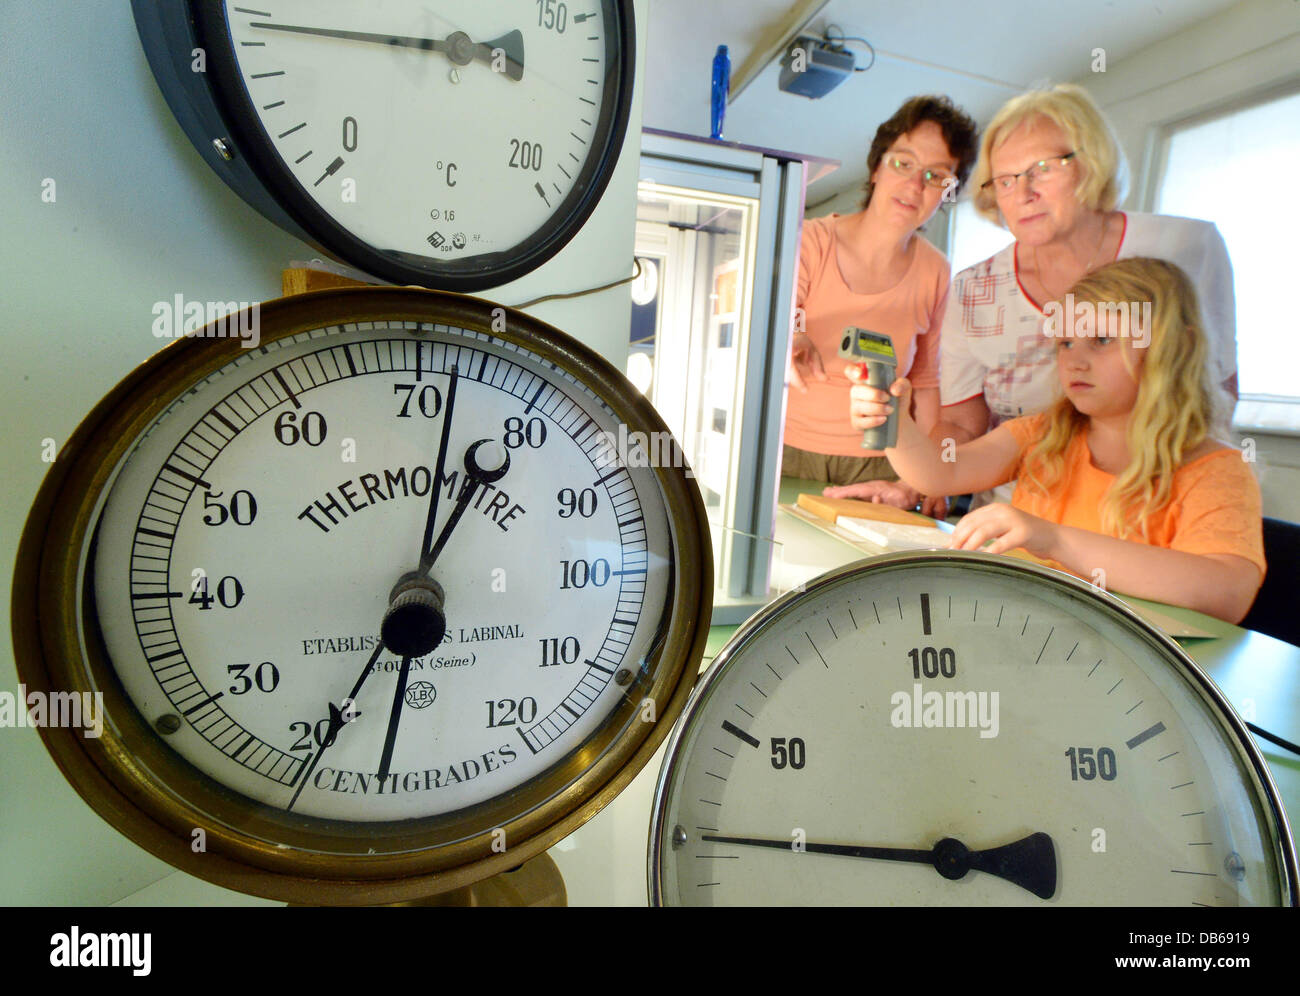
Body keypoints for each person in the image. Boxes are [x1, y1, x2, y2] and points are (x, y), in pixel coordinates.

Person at [825, 82, 1237, 508]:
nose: (1023, 194)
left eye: (1043, 168)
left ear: (1091, 162)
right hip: (1012, 517)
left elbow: (1213, 396)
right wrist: (913, 477)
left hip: (1149, 510)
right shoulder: (971, 292)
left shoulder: (1185, 249)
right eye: (1004, 180)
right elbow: (959, 427)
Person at [849, 257, 1264, 624]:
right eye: (1065, 342)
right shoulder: (1044, 433)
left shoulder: (1216, 469)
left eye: (1102, 340)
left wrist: (1054, 539)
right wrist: (893, 419)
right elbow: (939, 473)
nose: (1075, 360)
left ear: (1176, 346)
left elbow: (1227, 592)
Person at [784, 95, 977, 516]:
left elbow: (925, 385)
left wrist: (922, 479)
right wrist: (792, 337)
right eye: (902, 164)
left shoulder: (936, 272)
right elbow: (774, 324)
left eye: (935, 176)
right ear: (876, 167)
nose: (914, 186)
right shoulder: (811, 241)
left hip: (879, 465)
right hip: (786, 452)